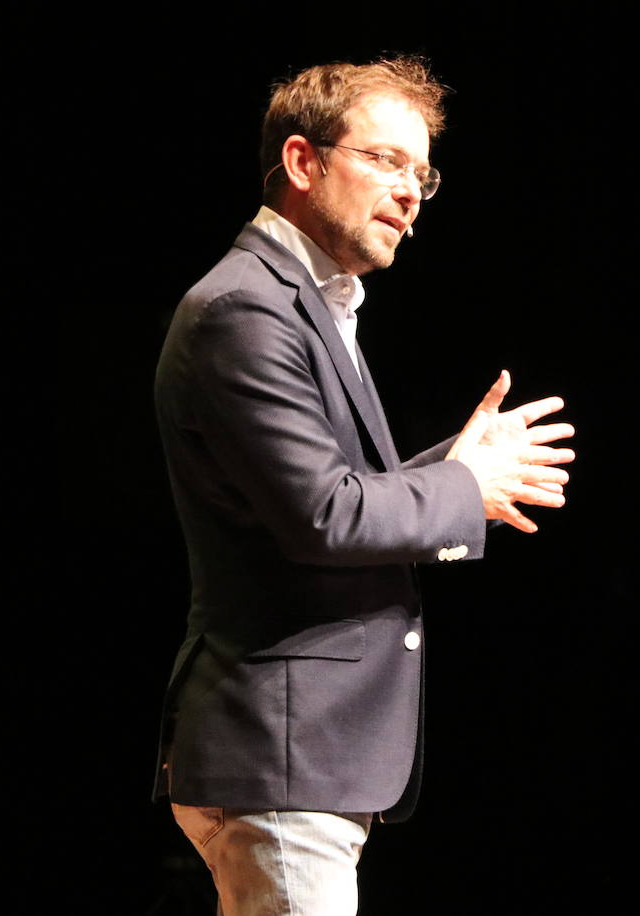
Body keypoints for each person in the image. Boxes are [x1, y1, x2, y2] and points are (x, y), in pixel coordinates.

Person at [151, 56, 576, 915]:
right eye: (385, 161)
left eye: (423, 173)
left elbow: (324, 492)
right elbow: (324, 516)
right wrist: (464, 484)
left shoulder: (310, 303)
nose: (411, 191)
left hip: (308, 754)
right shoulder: (247, 309)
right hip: (283, 750)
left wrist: (452, 466)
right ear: (304, 163)